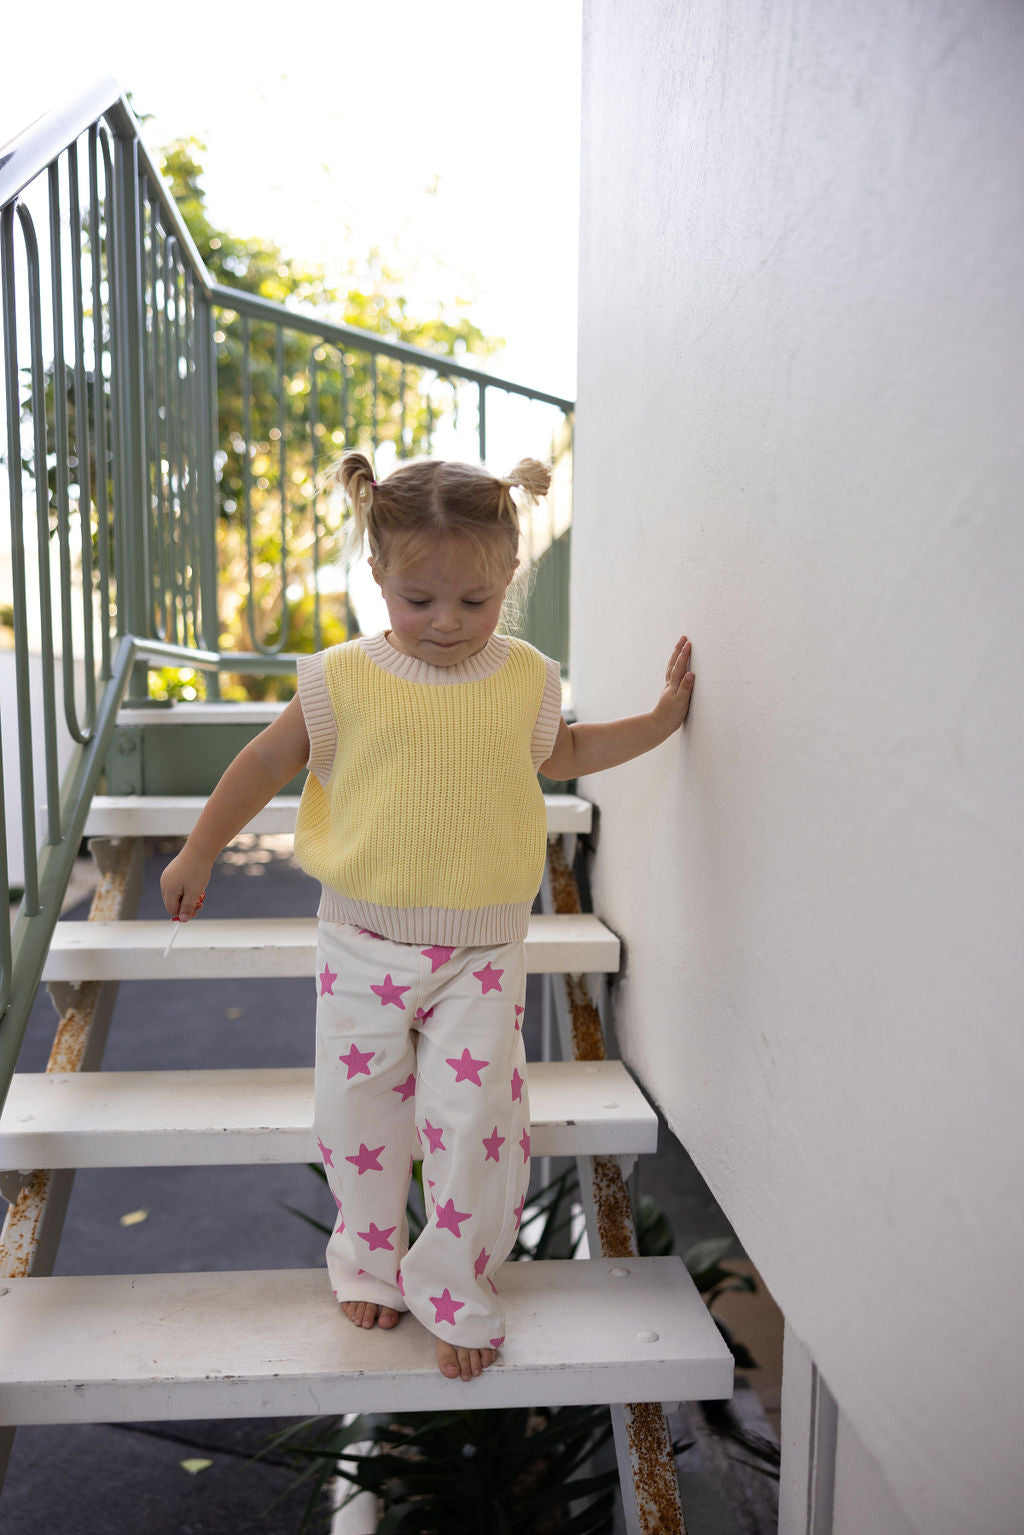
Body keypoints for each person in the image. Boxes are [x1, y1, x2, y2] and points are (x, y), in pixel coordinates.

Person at [160, 451, 695, 1384]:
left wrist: (657, 723)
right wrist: (200, 848)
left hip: (481, 953)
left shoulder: (523, 677)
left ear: (507, 581)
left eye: (474, 602)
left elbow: (565, 750)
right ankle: (368, 1258)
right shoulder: (339, 680)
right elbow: (263, 761)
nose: (448, 623)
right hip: (360, 945)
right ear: (377, 574)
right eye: (419, 600)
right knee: (358, 1116)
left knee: (475, 1121)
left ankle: (455, 1286)